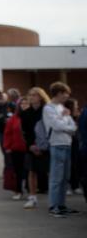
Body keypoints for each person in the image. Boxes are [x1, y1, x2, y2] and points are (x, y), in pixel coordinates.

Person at [42, 82, 77, 217]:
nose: (67, 96)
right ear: (58, 93)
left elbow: (73, 126)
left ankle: (61, 205)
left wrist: (66, 124)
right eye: (65, 93)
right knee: (56, 178)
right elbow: (56, 126)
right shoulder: (49, 108)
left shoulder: (61, 107)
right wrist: (65, 120)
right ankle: (53, 206)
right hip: (56, 145)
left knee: (64, 178)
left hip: (67, 144)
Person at [21, 87, 49, 209]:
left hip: (47, 146)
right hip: (32, 146)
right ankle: (32, 198)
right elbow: (25, 133)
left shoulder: (47, 111)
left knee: (50, 171)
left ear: (41, 97)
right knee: (32, 172)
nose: (31, 97)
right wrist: (31, 145)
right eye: (30, 95)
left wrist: (44, 146)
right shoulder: (25, 113)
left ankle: (55, 198)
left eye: (34, 95)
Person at [3, 96, 30, 200]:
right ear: (19, 106)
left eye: (26, 103)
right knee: (17, 171)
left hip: (29, 148)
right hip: (16, 148)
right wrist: (8, 147)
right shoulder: (14, 119)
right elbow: (7, 134)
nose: (24, 105)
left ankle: (30, 190)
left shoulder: (32, 117)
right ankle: (18, 191)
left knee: (29, 171)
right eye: (22, 104)